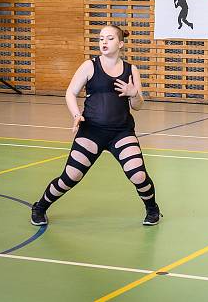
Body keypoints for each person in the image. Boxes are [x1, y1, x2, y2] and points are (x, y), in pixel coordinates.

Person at [30, 25, 161, 226]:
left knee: (139, 175)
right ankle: (40, 207)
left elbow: (138, 106)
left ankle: (152, 209)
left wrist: (133, 93)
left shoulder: (131, 70)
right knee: (70, 176)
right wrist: (76, 115)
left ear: (121, 44)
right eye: (101, 39)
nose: (104, 42)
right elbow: (70, 93)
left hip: (121, 132)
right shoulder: (89, 66)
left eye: (109, 38)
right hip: (91, 131)